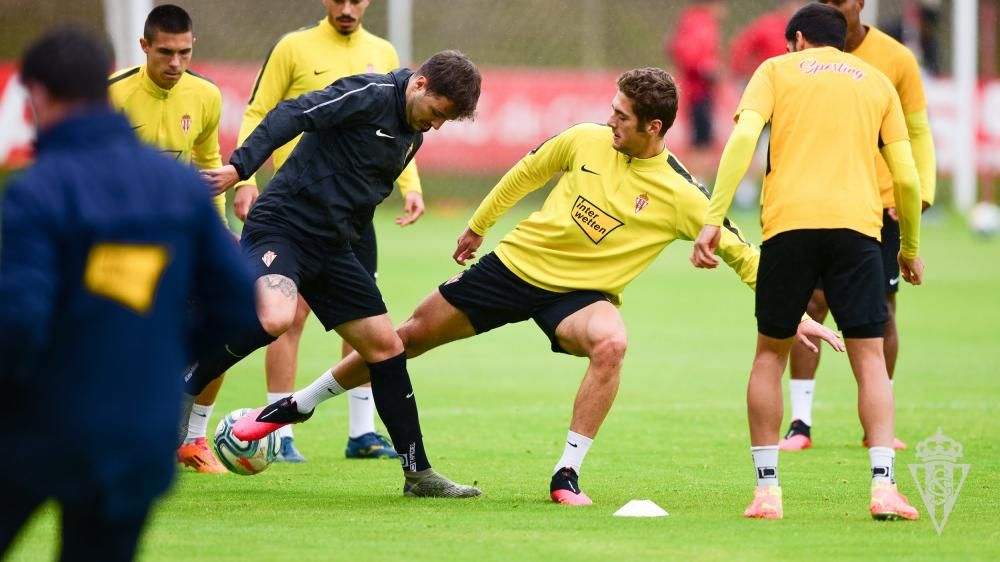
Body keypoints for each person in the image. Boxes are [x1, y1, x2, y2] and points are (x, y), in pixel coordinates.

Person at [233, 68, 844, 506]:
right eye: (610, 110)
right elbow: (525, 172)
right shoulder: (583, 139)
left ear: (652, 127)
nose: (609, 121)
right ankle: (298, 404)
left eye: (622, 118)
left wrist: (794, 310)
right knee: (402, 340)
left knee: (613, 343)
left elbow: (740, 252)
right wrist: (476, 228)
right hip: (513, 270)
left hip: (581, 299)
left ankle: (566, 475)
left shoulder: (684, 193)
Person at [0, 27, 255, 561]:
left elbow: (19, 322)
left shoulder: (39, 189)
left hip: (42, 423)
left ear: (39, 95)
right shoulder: (179, 189)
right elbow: (237, 303)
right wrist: (159, 349)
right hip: (138, 428)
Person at [188, 50, 483, 498]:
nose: (436, 125)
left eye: (446, 121)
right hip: (281, 227)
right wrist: (239, 167)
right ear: (420, 84)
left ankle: (418, 475)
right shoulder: (369, 93)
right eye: (438, 113)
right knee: (275, 318)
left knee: (387, 348)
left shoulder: (413, 136)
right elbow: (293, 112)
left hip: (332, 248)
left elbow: (360, 197)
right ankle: (184, 385)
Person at [691, 3, 924, 520]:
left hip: (789, 228)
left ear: (796, 39)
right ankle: (883, 486)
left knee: (769, 355)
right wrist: (908, 247)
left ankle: (767, 492)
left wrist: (715, 215)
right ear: (842, 41)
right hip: (857, 231)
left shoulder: (774, 70)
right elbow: (906, 177)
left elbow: (744, 139)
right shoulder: (876, 80)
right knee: (869, 360)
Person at [233, 0, 424, 463]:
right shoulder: (294, 46)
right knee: (286, 317)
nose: (346, 7)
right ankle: (280, 435)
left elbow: (402, 129)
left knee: (364, 322)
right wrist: (245, 177)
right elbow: (262, 109)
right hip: (297, 208)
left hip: (351, 214)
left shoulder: (383, 51)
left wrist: (411, 184)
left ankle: (362, 431)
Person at [780, 0, 938, 453]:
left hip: (879, 203)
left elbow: (917, 130)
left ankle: (876, 426)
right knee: (810, 303)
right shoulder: (798, 56)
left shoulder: (896, 59)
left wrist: (921, 190)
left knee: (880, 310)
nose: (835, 4)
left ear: (862, 3)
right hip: (813, 200)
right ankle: (800, 423)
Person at [108, 4, 234, 474]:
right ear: (144, 47)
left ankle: (193, 441)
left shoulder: (205, 94)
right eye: (165, 52)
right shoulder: (113, 96)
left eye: (183, 52)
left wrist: (219, 231)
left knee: (226, 328)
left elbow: (208, 163)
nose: (175, 63)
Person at [665, 0, 726, 181]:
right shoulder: (698, 22)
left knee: (703, 137)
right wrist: (705, 67)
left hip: (702, 90)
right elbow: (685, 52)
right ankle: (696, 181)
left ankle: (699, 179)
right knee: (700, 139)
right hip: (696, 90)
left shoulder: (702, 22)